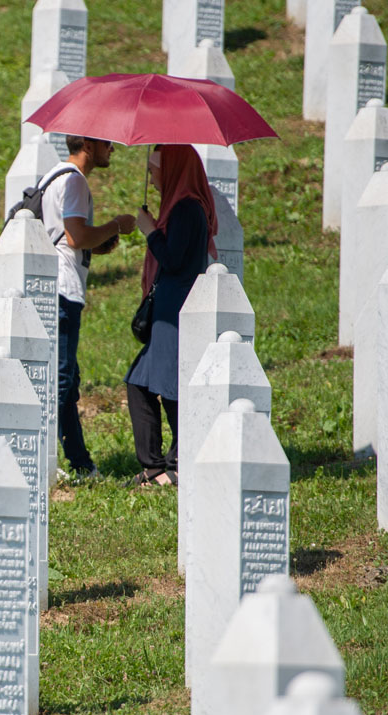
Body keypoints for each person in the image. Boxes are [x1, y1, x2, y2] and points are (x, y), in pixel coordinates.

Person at [40, 136, 136, 480]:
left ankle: (81, 462)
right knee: (61, 379)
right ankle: (48, 459)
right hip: (63, 290)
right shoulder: (75, 180)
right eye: (106, 143)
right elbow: (75, 237)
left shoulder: (53, 175)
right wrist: (116, 226)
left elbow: (70, 238)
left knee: (66, 377)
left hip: (50, 284)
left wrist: (99, 242)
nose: (112, 148)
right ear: (88, 144)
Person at [126, 144, 217, 487]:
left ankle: (175, 464)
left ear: (174, 170)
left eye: (155, 171)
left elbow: (175, 260)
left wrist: (150, 232)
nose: (152, 179)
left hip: (178, 311)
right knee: (141, 383)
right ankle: (156, 465)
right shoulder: (180, 209)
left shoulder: (186, 209)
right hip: (169, 310)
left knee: (172, 387)